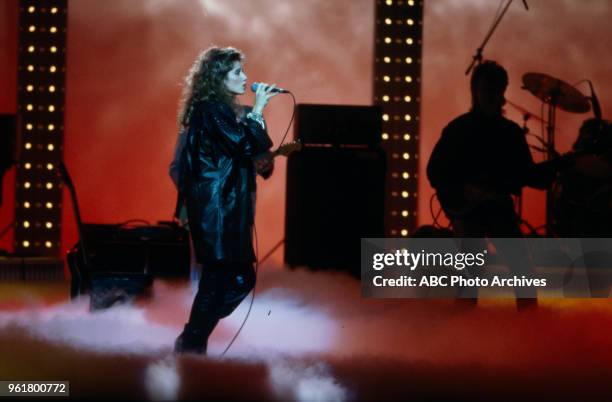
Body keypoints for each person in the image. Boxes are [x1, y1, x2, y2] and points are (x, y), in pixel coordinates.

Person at [170, 46, 278, 354]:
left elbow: (253, 150)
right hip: (215, 210)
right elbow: (244, 145)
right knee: (218, 278)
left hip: (229, 209)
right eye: (236, 72)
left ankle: (193, 335)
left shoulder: (221, 112)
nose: (245, 77)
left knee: (240, 278)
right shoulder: (210, 109)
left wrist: (254, 117)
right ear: (218, 77)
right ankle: (192, 342)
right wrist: (257, 110)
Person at [427, 60, 559, 309]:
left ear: (502, 92)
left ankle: (529, 327)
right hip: (467, 210)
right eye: (486, 90)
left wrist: (557, 168)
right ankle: (463, 331)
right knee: (470, 272)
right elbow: (435, 171)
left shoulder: (510, 133)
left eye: (496, 90)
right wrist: (462, 192)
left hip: (497, 206)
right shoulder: (458, 129)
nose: (491, 96)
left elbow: (529, 176)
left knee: (522, 270)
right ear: (475, 91)